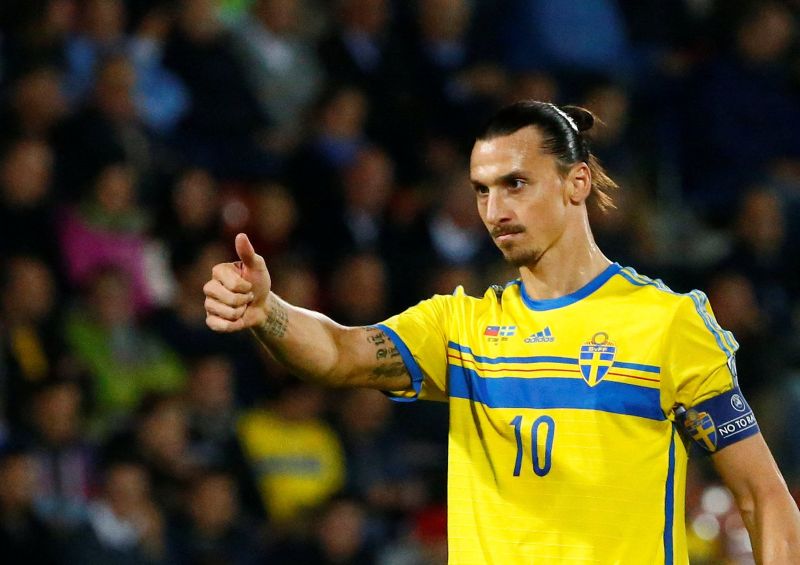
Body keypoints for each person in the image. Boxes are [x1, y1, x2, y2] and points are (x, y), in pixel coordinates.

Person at [203, 100, 800, 563]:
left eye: (516, 183)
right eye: (481, 190)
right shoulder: (460, 326)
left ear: (577, 183)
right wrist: (269, 310)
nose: (494, 210)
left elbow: (763, 498)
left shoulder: (665, 323)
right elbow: (338, 352)